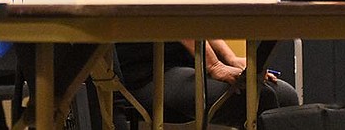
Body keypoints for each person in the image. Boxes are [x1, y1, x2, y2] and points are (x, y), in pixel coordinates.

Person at [115, 40, 299, 128]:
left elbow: (199, 20)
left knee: (286, 94)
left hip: (188, 65)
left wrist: (230, 59)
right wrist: (214, 65)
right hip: (145, 73)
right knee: (260, 98)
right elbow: (178, 14)